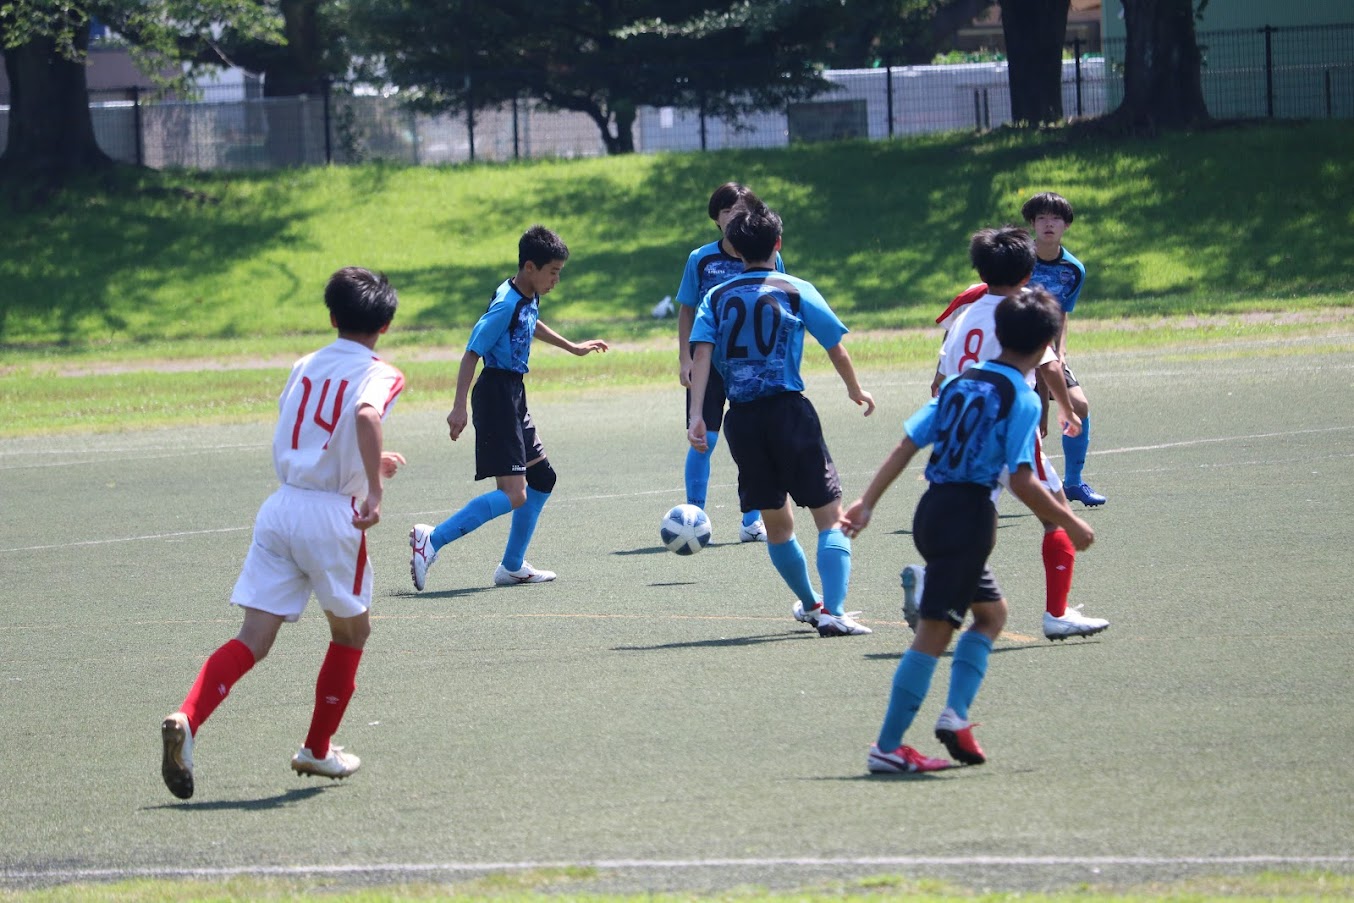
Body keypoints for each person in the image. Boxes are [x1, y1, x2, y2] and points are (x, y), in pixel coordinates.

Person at [160, 267, 407, 799]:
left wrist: (365, 461)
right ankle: (317, 749)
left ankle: (187, 717)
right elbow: (365, 414)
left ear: (332, 316)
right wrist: (373, 489)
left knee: (253, 638)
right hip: (332, 517)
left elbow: (314, 429)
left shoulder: (304, 364)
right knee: (351, 634)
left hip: (281, 508)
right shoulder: (381, 372)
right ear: (386, 325)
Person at [841, 287, 1096, 773]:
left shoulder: (961, 383)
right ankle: (888, 747)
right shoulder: (1021, 398)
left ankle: (955, 716)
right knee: (933, 637)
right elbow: (1022, 480)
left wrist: (866, 502)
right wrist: (1071, 521)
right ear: (1046, 346)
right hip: (968, 518)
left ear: (998, 330)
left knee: (992, 614)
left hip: (932, 510)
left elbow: (906, 444)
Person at [687, 200, 877, 637]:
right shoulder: (795, 287)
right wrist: (854, 389)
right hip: (789, 412)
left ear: (735, 248)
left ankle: (811, 604)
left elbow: (701, 355)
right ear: (778, 244)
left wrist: (697, 413)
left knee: (777, 524)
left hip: (741, 420)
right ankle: (834, 611)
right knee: (830, 517)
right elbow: (835, 346)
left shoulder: (716, 296)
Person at [910, 225, 1108, 641]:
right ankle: (1057, 613)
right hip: (1008, 427)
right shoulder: (1022, 314)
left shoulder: (966, 311)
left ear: (980, 269)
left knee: (973, 523)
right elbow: (1049, 365)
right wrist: (1066, 409)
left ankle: (933, 581)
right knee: (1056, 516)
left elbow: (941, 372)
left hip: (962, 432)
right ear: (1028, 273)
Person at [409, 225, 608, 591]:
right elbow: (471, 353)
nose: (556, 280)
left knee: (542, 478)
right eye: (553, 272)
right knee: (515, 494)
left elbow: (530, 322)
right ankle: (432, 539)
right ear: (530, 267)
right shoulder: (505, 304)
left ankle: (512, 566)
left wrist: (572, 346)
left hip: (514, 393)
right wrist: (458, 408)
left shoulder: (528, 293)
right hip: (495, 395)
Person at [676, 182, 786, 543]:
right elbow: (687, 309)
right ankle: (694, 518)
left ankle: (752, 521)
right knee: (703, 438)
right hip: (708, 364)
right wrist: (685, 358)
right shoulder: (701, 258)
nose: (734, 217)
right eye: (727, 211)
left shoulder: (765, 254)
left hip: (751, 366)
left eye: (741, 211)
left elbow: (781, 300)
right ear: (716, 218)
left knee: (752, 440)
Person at [1022, 191, 1104, 506]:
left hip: (1046, 352)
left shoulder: (1073, 269)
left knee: (1079, 405)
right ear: (1032, 223)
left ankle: (1073, 483)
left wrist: (1061, 352)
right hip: (1013, 352)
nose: (1048, 224)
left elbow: (1061, 313)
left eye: (1055, 218)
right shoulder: (1018, 260)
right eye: (1041, 218)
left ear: (1066, 225)